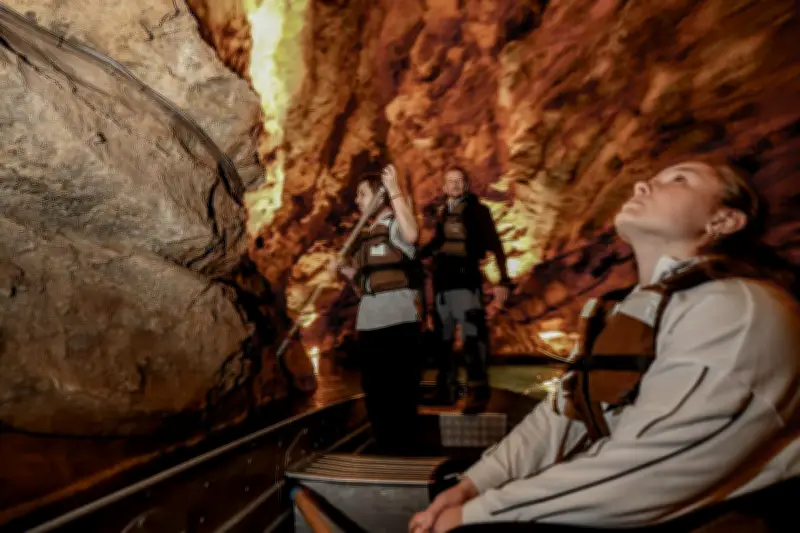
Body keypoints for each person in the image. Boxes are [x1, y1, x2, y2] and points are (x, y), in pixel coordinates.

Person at [409, 159, 800, 532]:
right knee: (447, 483)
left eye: (679, 179)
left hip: (721, 518)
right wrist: (473, 485)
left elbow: (652, 467)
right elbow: (561, 414)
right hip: (646, 502)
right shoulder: (631, 308)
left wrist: (478, 514)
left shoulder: (737, 310)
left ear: (724, 219)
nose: (643, 184)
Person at [329, 164, 423, 455]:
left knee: (401, 392)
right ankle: (386, 447)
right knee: (375, 393)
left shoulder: (395, 225)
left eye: (362, 194)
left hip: (399, 320)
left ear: (378, 197)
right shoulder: (363, 241)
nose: (357, 200)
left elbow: (412, 236)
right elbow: (364, 288)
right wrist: (345, 271)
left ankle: (406, 450)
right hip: (369, 322)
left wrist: (394, 189)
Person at [419, 166, 512, 412]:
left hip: (466, 283)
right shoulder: (443, 214)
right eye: (450, 181)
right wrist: (414, 257)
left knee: (473, 340)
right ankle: (447, 391)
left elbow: (495, 244)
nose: (454, 185)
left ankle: (478, 394)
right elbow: (436, 244)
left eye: (459, 181)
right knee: (443, 341)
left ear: (466, 184)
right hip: (443, 286)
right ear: (444, 186)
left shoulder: (479, 212)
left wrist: (503, 280)